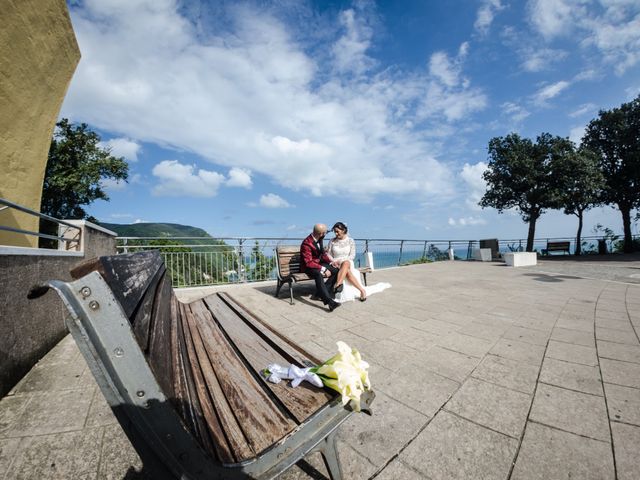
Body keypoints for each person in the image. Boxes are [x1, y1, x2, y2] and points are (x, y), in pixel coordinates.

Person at [326, 222, 391, 303]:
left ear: (343, 230)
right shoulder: (332, 241)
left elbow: (352, 256)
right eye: (334, 232)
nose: (335, 233)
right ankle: (362, 290)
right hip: (335, 263)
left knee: (345, 263)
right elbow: (328, 254)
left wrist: (341, 261)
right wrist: (333, 261)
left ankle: (338, 285)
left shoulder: (350, 240)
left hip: (348, 261)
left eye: (337, 231)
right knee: (347, 271)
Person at [300, 224, 340, 312]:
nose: (326, 234)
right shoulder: (306, 243)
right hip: (308, 267)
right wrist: (324, 269)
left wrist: (330, 262)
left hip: (317, 264)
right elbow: (308, 262)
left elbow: (322, 254)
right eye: (325, 232)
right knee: (318, 274)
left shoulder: (320, 238)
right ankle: (329, 302)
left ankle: (319, 293)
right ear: (321, 233)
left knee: (336, 270)